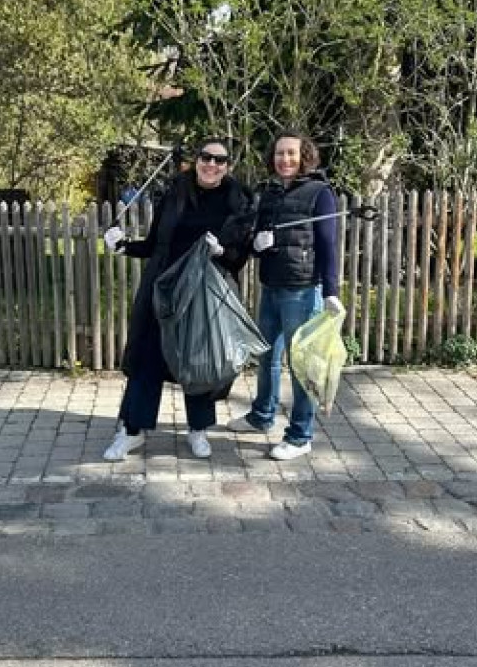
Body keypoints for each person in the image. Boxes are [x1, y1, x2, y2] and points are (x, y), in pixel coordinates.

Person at [102, 139, 254, 461]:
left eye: (220, 160)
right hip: (163, 287)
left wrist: (221, 251)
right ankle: (132, 430)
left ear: (227, 166)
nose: (211, 165)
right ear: (196, 160)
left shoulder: (236, 201)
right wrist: (124, 246)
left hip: (202, 291)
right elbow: (154, 244)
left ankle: (198, 430)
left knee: (197, 360)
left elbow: (239, 256)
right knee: (148, 356)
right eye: (206, 157)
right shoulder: (175, 193)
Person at [228, 130, 343, 460]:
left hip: (303, 290)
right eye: (280, 153)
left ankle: (300, 436)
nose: (285, 159)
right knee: (266, 357)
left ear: (304, 156)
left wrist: (331, 291)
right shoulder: (269, 192)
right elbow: (258, 238)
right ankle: (261, 416)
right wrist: (257, 245)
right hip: (271, 287)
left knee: (301, 366)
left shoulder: (320, 193)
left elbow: (328, 245)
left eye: (291, 153)